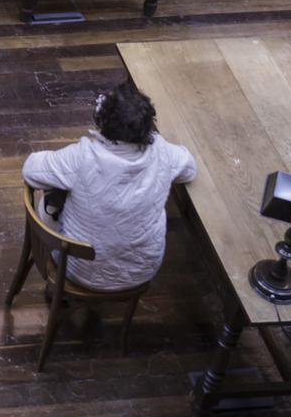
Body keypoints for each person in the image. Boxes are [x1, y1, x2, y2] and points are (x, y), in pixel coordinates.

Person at [20, 81, 198, 292]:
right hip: (140, 272)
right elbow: (190, 169)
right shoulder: (163, 152)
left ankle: (57, 289)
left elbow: (31, 170)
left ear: (102, 122)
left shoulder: (81, 157)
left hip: (78, 270)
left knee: (51, 200)